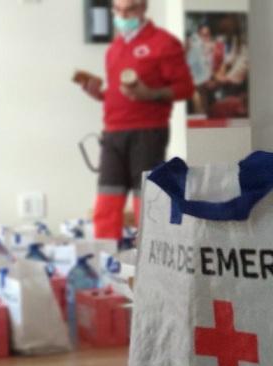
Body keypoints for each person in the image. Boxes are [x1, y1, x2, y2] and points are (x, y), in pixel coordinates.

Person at [78, 0, 194, 240]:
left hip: (148, 131)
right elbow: (118, 93)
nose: (122, 15)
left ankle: (150, 263)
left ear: (143, 8)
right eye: (117, 10)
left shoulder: (164, 43)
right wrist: (98, 93)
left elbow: (185, 88)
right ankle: (106, 261)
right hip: (112, 133)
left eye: (129, 9)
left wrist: (151, 94)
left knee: (147, 201)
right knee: (107, 201)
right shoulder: (115, 48)